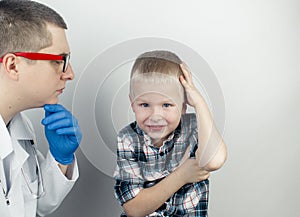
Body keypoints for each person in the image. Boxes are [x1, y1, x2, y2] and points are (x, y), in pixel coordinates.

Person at [114, 50, 227, 216]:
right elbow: (134, 208)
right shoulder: (128, 139)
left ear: (183, 106)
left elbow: (214, 161)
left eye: (166, 105)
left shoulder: (195, 127)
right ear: (132, 103)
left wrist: (199, 102)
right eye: (144, 105)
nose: (155, 116)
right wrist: (183, 175)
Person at [0, 1, 82, 216]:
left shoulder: (19, 126)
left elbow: (34, 204)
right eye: (59, 61)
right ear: (13, 65)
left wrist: (60, 159)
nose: (69, 73)